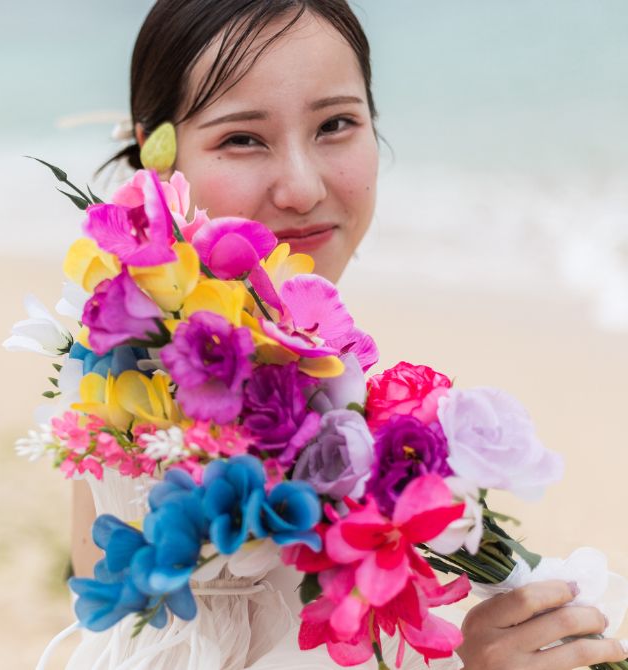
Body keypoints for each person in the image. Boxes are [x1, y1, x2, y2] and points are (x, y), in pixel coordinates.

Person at [65, 1, 628, 668]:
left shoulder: (145, 355)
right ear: (159, 159)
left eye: (336, 124)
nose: (302, 188)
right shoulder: (141, 387)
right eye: (243, 138)